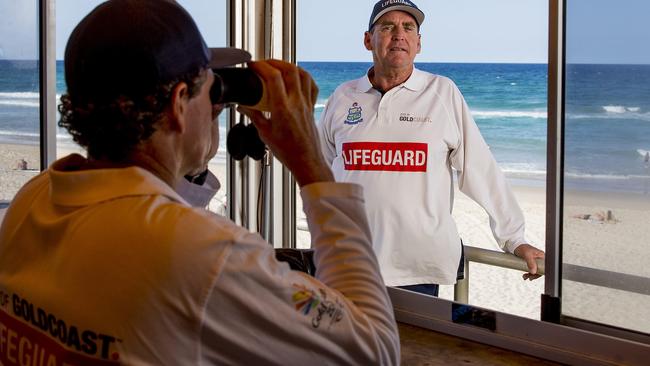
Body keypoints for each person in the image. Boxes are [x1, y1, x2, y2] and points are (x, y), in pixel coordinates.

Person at [0, 1, 399, 365]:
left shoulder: (32, 202)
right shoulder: (203, 256)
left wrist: (188, 143)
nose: (217, 108)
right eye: (213, 91)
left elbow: (145, 213)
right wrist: (310, 163)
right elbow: (376, 350)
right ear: (177, 104)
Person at [318, 0, 545, 297]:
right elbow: (323, 170)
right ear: (367, 40)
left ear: (418, 43)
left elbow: (479, 169)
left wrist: (514, 239)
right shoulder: (343, 96)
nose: (399, 34)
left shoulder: (442, 92)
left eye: (408, 27)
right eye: (387, 27)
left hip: (416, 267)